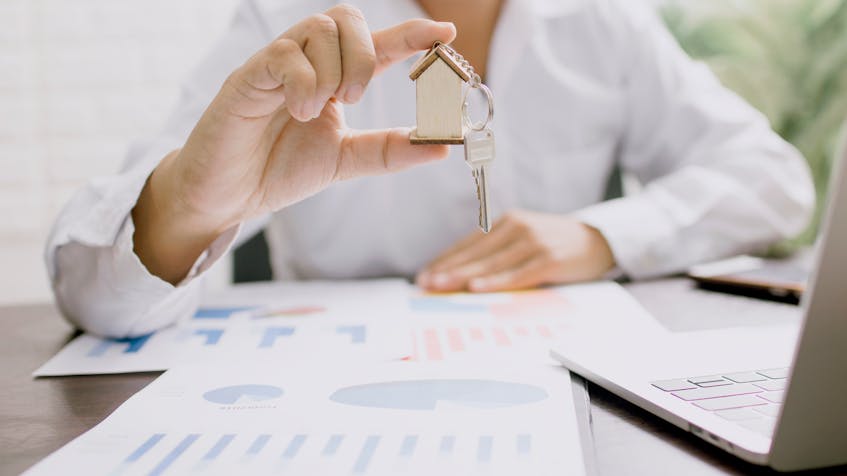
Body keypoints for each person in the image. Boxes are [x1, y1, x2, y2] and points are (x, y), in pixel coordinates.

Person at [45, 0, 814, 338]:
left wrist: (601, 235)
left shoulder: (604, 18)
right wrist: (192, 204)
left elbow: (774, 180)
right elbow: (96, 297)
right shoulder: (284, 16)